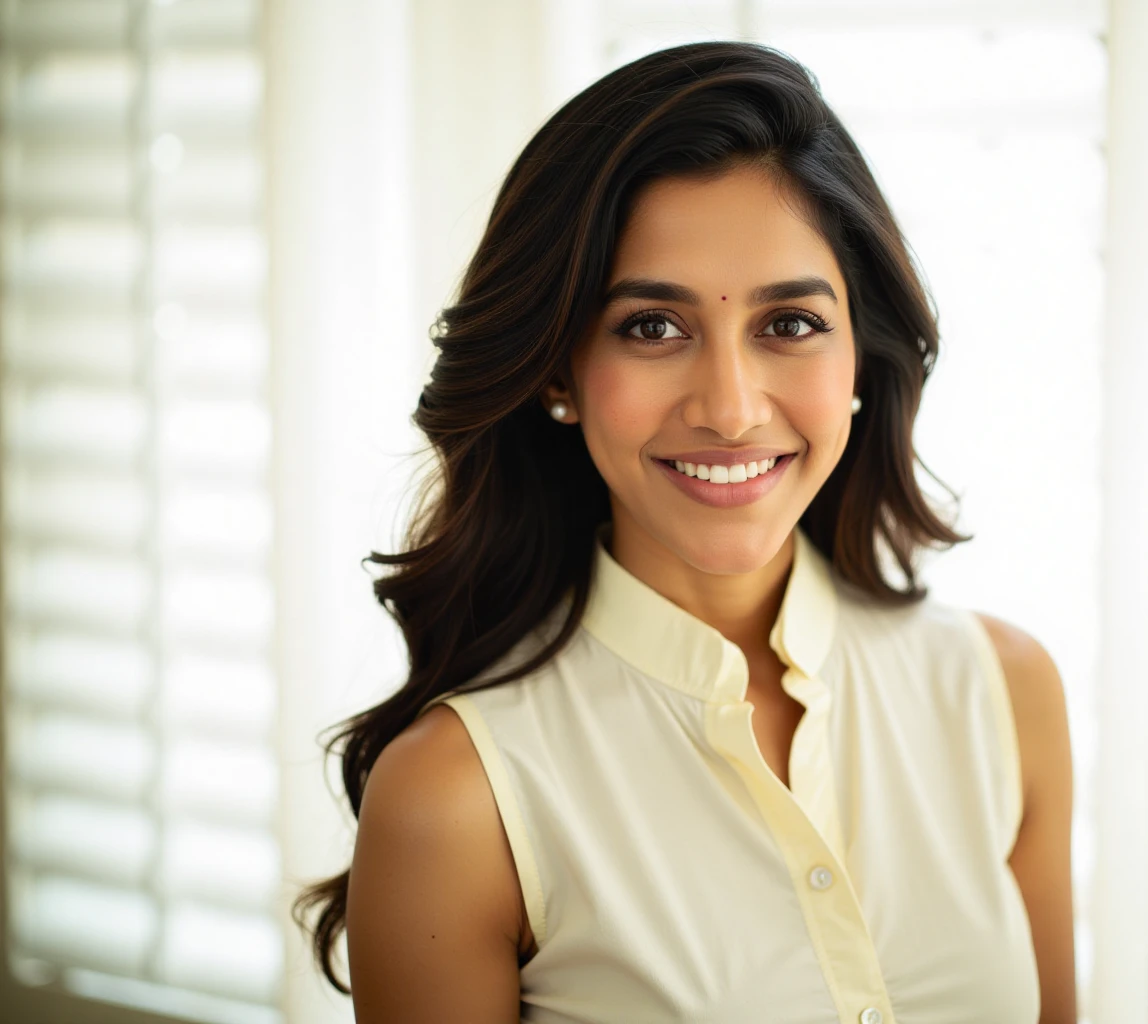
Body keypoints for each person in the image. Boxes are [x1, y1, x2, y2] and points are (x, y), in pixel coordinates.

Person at [295, 39, 1075, 1024]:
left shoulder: (1004, 693)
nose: (731, 408)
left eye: (788, 323)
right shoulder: (455, 798)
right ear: (555, 372)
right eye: (652, 328)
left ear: (861, 364)